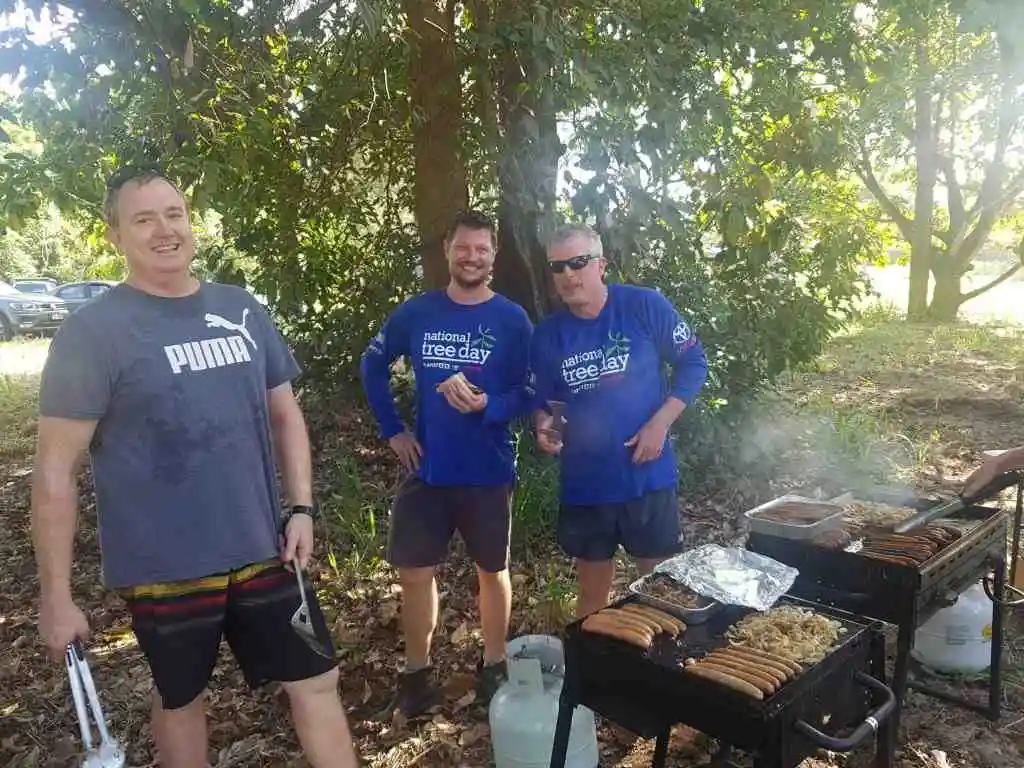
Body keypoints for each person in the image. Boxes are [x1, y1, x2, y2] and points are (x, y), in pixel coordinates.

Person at [31, 167, 359, 768]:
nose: (165, 230)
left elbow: (286, 415)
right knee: (182, 700)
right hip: (165, 570)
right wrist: (56, 597)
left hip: (266, 548)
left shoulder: (241, 309)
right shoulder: (93, 332)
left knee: (316, 681)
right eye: (144, 218)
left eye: (174, 213)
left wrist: (303, 507)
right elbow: (56, 470)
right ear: (114, 235)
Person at [360, 210, 534, 719]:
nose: (472, 256)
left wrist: (488, 406)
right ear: (447, 250)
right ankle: (417, 675)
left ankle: (494, 665)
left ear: (493, 255)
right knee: (414, 573)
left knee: (492, 570)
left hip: (487, 468)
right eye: (463, 247)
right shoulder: (418, 312)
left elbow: (530, 390)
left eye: (482, 249)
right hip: (428, 468)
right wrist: (394, 430)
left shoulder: (512, 319)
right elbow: (372, 362)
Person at [529, 224, 709, 618]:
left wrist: (660, 423)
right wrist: (547, 427)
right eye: (557, 267)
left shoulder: (644, 306)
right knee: (592, 599)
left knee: (663, 591)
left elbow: (694, 363)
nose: (568, 275)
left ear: (602, 264)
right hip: (587, 485)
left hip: (647, 477)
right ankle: (596, 673)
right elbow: (549, 403)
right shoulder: (547, 336)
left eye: (578, 262)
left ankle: (667, 676)